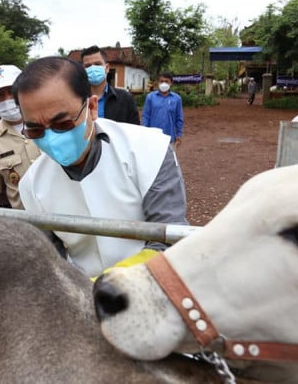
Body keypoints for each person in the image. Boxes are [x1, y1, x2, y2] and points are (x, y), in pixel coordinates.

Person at [14, 57, 188, 277]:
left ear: (92, 108)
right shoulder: (32, 183)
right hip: (82, 295)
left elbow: (172, 239)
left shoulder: (148, 151)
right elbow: (49, 259)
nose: (51, 138)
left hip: (152, 286)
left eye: (62, 124)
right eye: (35, 130)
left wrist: (111, 283)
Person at [0, 64, 41, 209]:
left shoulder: (50, 123)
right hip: (26, 225)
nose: (7, 99)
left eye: (12, 91)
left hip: (67, 221)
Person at [80, 45, 140, 124]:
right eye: (88, 66)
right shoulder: (76, 100)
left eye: (97, 64)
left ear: (107, 68)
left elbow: (134, 130)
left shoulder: (125, 99)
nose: (93, 69)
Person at [142, 71, 184, 150]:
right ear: (158, 82)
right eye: (161, 81)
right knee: (153, 160)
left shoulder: (177, 99)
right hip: (153, 137)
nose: (163, 83)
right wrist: (144, 132)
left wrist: (179, 135)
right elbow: (146, 116)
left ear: (171, 83)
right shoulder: (150, 97)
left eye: (166, 81)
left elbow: (179, 118)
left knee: (169, 161)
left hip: (170, 138)